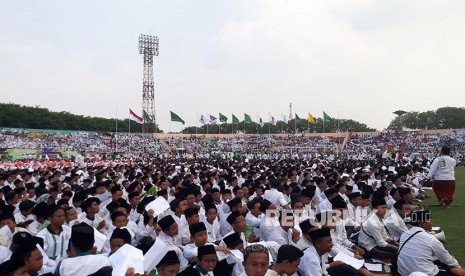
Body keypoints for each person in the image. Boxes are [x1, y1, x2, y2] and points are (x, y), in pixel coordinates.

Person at [397, 210, 465, 276]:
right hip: (424, 273)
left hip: (403, 271)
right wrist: (457, 267)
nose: (431, 223)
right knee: (456, 271)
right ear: (423, 223)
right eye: (430, 221)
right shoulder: (431, 239)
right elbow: (446, 258)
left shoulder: (405, 234)